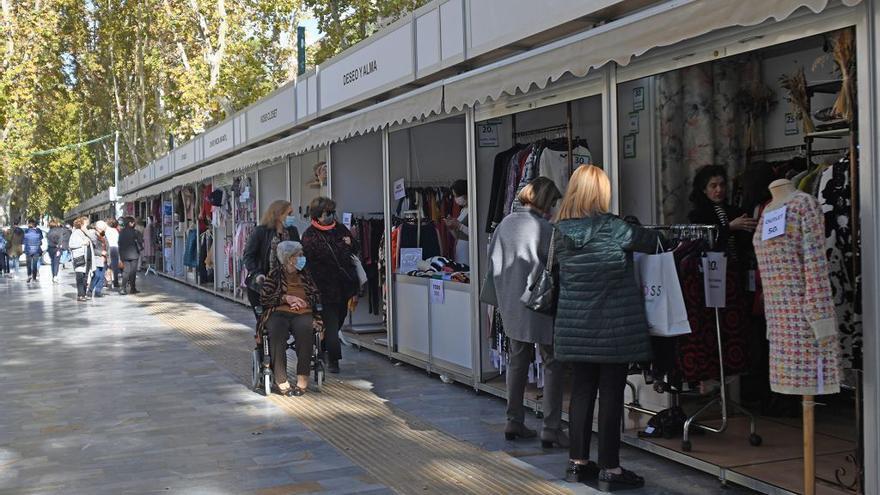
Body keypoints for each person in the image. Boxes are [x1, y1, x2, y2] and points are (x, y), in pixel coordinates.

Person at [553, 165, 661, 491]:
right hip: (613, 328)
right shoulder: (614, 228)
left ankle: (578, 463)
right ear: (601, 193)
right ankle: (611, 469)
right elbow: (655, 243)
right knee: (611, 395)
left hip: (576, 327)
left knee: (582, 391)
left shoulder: (561, 232)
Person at [486, 177, 567, 448]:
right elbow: (556, 266)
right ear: (546, 201)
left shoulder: (505, 224)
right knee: (552, 362)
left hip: (510, 302)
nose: (555, 208)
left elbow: (493, 265)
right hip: (540, 303)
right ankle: (551, 427)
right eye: (554, 202)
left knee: (517, 360)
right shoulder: (546, 229)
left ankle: (514, 420)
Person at [257, 241, 324, 396]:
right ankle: (281, 379)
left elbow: (316, 296)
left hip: (302, 311)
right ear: (289, 258)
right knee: (276, 331)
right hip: (278, 311)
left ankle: (302, 377)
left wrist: (303, 302)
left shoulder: (305, 274)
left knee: (305, 330)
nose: (302, 258)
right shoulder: (275, 274)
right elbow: (264, 298)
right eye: (299, 255)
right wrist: (286, 299)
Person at [301, 197, 359, 375]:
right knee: (332, 323)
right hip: (323, 287)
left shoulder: (340, 228)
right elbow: (313, 259)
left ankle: (325, 348)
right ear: (318, 215)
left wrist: (351, 243)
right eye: (328, 213)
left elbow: (354, 249)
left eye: (333, 212)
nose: (332, 216)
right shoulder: (309, 235)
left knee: (339, 319)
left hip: (344, 285)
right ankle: (334, 359)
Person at [243, 200, 301, 320]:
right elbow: (248, 256)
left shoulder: (292, 231)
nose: (292, 217)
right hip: (262, 285)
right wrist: (257, 273)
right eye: (289, 214)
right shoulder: (260, 232)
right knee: (266, 322)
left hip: (287, 285)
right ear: (278, 215)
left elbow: (298, 253)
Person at [687, 165, 757, 262]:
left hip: (737, 267)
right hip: (713, 267)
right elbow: (705, 243)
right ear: (704, 190)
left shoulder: (735, 211)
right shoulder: (698, 215)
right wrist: (730, 227)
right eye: (713, 186)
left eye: (722, 185)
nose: (719, 190)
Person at [444, 179, 470, 265]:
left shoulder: (472, 210)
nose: (455, 199)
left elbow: (475, 234)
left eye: (457, 196)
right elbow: (457, 236)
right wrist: (451, 227)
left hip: (468, 249)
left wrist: (459, 225)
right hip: (460, 247)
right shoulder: (463, 210)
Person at [69, 217, 94, 302]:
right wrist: (83, 243)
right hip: (80, 258)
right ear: (81, 224)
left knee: (85, 277)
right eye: (85, 223)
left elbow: (93, 239)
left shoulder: (85, 233)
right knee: (80, 276)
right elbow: (71, 245)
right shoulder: (76, 233)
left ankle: (83, 293)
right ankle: (80, 295)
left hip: (87, 258)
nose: (87, 225)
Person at [118, 216, 142, 295]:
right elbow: (140, 241)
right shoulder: (135, 232)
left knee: (126, 271)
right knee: (133, 272)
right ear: (130, 223)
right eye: (133, 222)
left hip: (124, 255)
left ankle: (123, 288)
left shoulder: (121, 232)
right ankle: (133, 288)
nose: (134, 223)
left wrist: (121, 256)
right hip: (134, 254)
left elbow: (119, 244)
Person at [86, 220, 108, 298]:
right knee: (97, 275)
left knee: (102, 276)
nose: (105, 230)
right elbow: (92, 249)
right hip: (97, 258)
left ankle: (98, 291)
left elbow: (106, 246)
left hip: (104, 258)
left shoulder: (104, 235)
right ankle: (90, 290)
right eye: (104, 229)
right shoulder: (93, 236)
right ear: (98, 228)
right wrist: (101, 253)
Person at [22, 218, 43, 283]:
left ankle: (29, 275)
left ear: (28, 224)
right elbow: (40, 242)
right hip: (36, 250)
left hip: (28, 250)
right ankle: (34, 278)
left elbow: (23, 241)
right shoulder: (38, 232)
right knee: (35, 264)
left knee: (28, 264)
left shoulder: (26, 232)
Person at [47, 219, 67, 283]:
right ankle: (55, 276)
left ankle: (53, 275)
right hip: (57, 249)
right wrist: (59, 248)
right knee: (56, 263)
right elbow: (60, 240)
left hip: (50, 248)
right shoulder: (59, 231)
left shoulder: (49, 232)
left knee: (52, 262)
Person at [105, 218, 121, 289]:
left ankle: (108, 281)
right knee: (115, 266)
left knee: (108, 265)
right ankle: (116, 282)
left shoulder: (106, 230)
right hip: (116, 248)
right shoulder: (115, 230)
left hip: (109, 248)